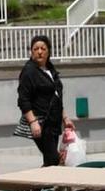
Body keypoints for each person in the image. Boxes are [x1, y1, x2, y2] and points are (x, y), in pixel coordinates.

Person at [17, 35, 68, 167]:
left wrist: (65, 118)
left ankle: (42, 187)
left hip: (54, 124)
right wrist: (33, 122)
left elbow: (56, 97)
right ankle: (40, 187)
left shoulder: (51, 70)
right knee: (54, 159)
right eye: (36, 49)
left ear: (48, 51)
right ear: (31, 52)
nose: (39, 51)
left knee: (51, 161)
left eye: (43, 48)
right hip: (41, 124)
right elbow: (23, 99)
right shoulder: (29, 71)